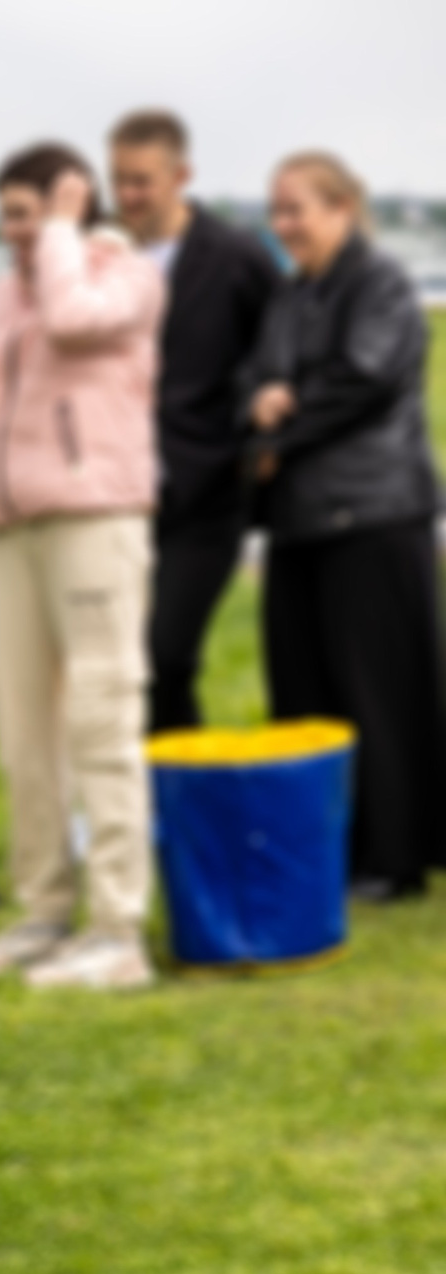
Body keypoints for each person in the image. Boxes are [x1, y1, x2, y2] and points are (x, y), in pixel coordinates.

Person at [0, 144, 166, 989]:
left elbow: (74, 321)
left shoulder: (116, 273)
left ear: (67, 202)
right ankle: (47, 909)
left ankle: (119, 931)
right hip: (14, 532)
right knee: (25, 730)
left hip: (95, 520)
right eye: (9, 216)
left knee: (102, 718)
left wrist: (62, 225)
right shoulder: (8, 293)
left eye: (27, 212)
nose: (13, 231)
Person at [243, 150, 446, 901]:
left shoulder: (382, 283)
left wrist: (277, 428)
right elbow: (256, 381)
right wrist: (263, 411)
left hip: (375, 513)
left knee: (380, 695)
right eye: (276, 210)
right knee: (306, 691)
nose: (283, 225)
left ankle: (395, 858)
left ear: (342, 208)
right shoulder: (293, 296)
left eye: (296, 208)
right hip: (300, 521)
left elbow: (361, 380)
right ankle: (330, 847)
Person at [106, 109, 283, 733]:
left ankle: (184, 807)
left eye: (142, 182)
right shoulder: (102, 254)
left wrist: (255, 433)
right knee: (116, 667)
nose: (127, 196)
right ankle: (138, 811)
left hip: (206, 494)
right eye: (118, 180)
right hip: (114, 492)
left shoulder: (236, 255)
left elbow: (279, 346)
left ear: (182, 175)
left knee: (167, 657)